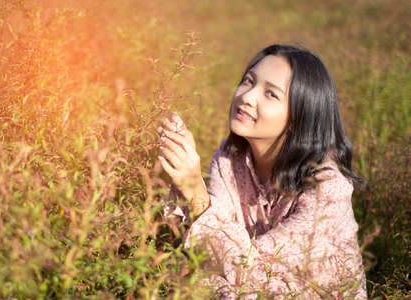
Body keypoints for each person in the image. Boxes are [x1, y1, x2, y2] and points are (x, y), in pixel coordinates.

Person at [157, 44, 367, 299]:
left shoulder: (328, 188)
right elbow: (208, 253)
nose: (247, 96)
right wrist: (178, 173)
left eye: (271, 94)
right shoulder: (230, 158)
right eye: (249, 81)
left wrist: (196, 192)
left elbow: (251, 271)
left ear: (301, 117)